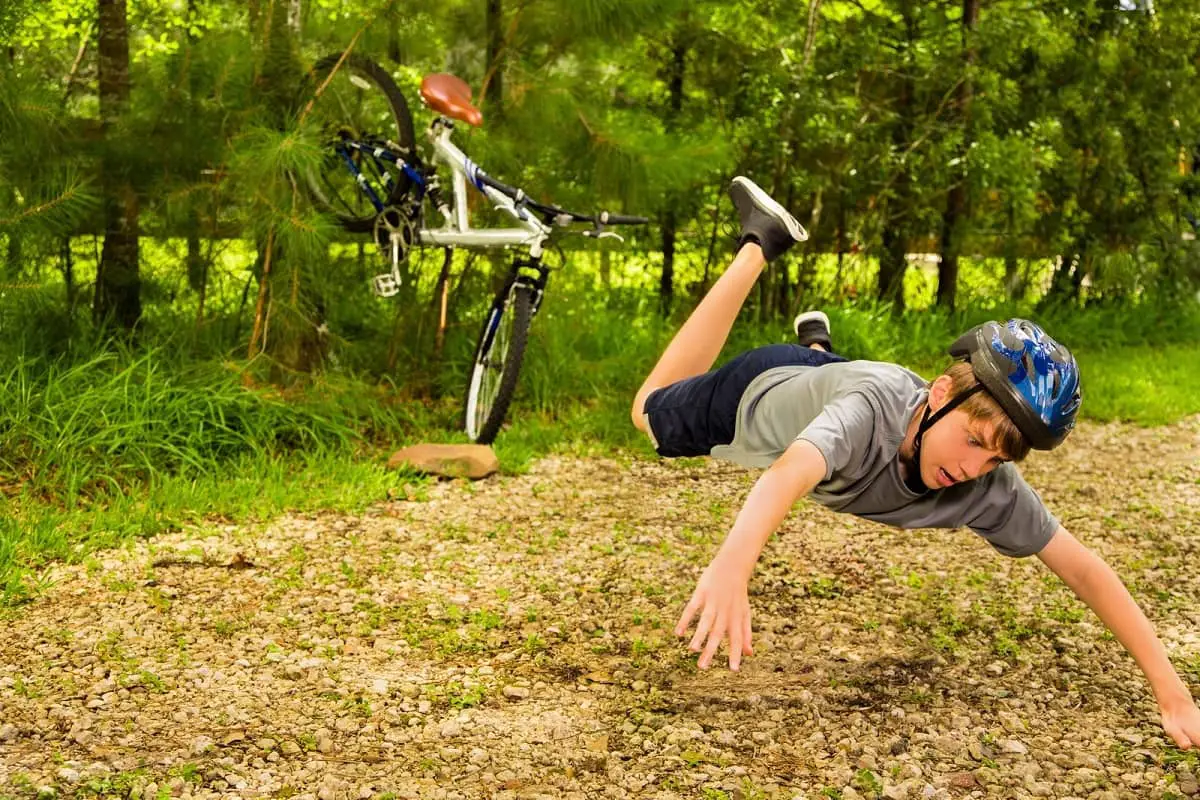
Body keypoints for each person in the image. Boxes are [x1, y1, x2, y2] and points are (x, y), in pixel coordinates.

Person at [631, 176, 1200, 749]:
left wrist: (1174, 693)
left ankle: (818, 345)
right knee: (646, 411)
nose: (975, 468)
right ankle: (760, 241)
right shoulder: (866, 416)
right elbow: (787, 476)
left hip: (841, 379)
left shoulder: (987, 485)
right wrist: (733, 566)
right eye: (975, 441)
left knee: (834, 380)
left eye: (996, 457)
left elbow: (1085, 571)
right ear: (938, 395)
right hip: (756, 391)